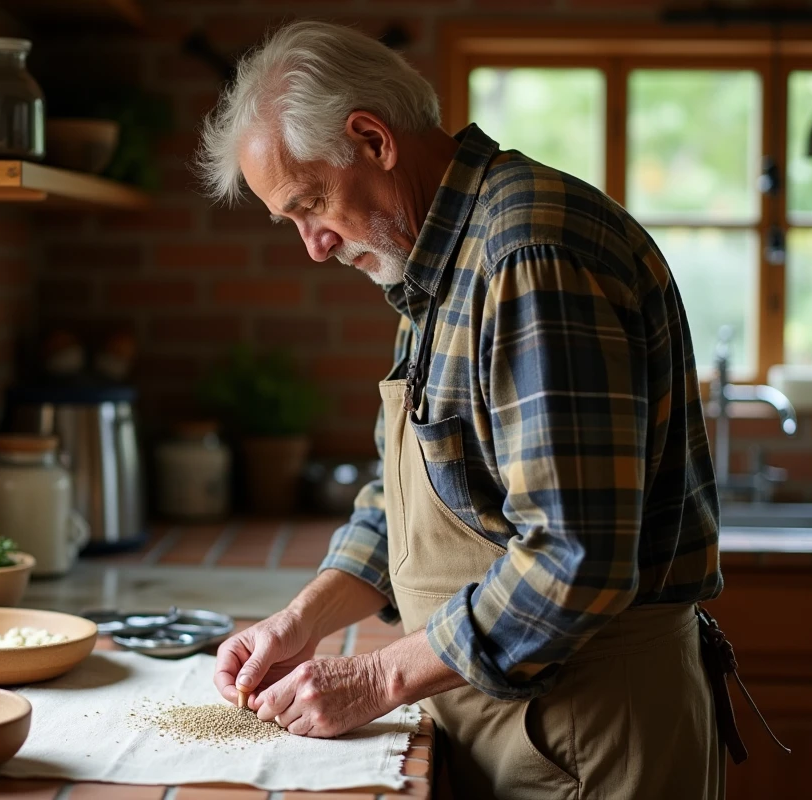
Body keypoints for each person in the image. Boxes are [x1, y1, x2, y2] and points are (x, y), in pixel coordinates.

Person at [195, 20, 730, 799]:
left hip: (592, 728)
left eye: (312, 204)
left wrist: (376, 677)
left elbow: (573, 559)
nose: (313, 245)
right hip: (511, 717)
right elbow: (407, 505)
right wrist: (300, 619)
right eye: (294, 222)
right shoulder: (434, 263)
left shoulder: (527, 256)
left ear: (373, 141)